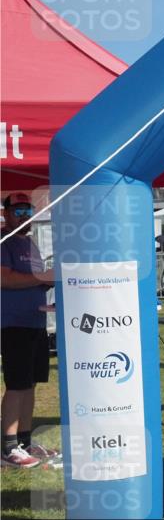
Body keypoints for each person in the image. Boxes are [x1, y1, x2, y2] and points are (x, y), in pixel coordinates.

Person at [1, 193, 59, 468]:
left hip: (36, 321)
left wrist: (50, 280)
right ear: (6, 213)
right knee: (17, 385)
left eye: (28, 210)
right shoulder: (4, 241)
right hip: (13, 322)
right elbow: (6, 279)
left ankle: (24, 442)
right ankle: (8, 447)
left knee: (31, 384)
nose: (25, 216)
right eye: (19, 211)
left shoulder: (30, 243)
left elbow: (33, 280)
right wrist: (40, 278)